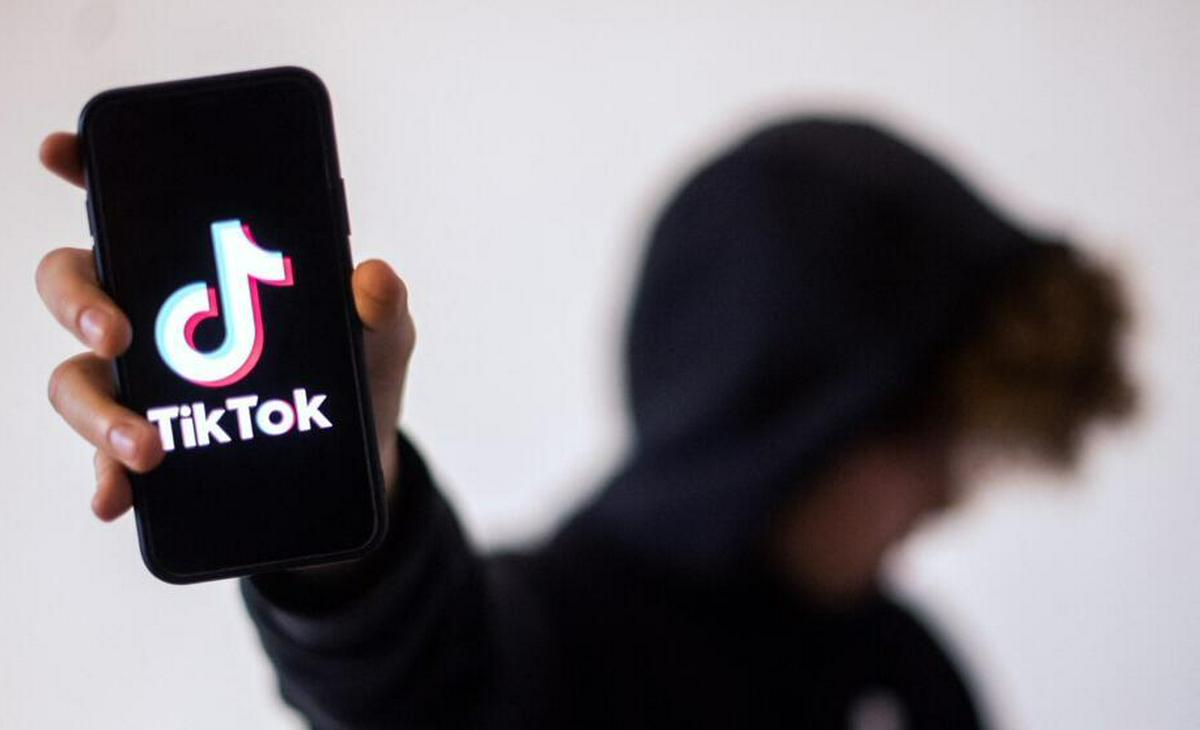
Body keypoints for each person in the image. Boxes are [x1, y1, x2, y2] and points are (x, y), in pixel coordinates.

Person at [37, 117, 1135, 728]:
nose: (947, 493)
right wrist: (335, 509)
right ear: (788, 413)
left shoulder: (910, 665)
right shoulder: (560, 640)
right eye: (925, 436)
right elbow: (421, 691)